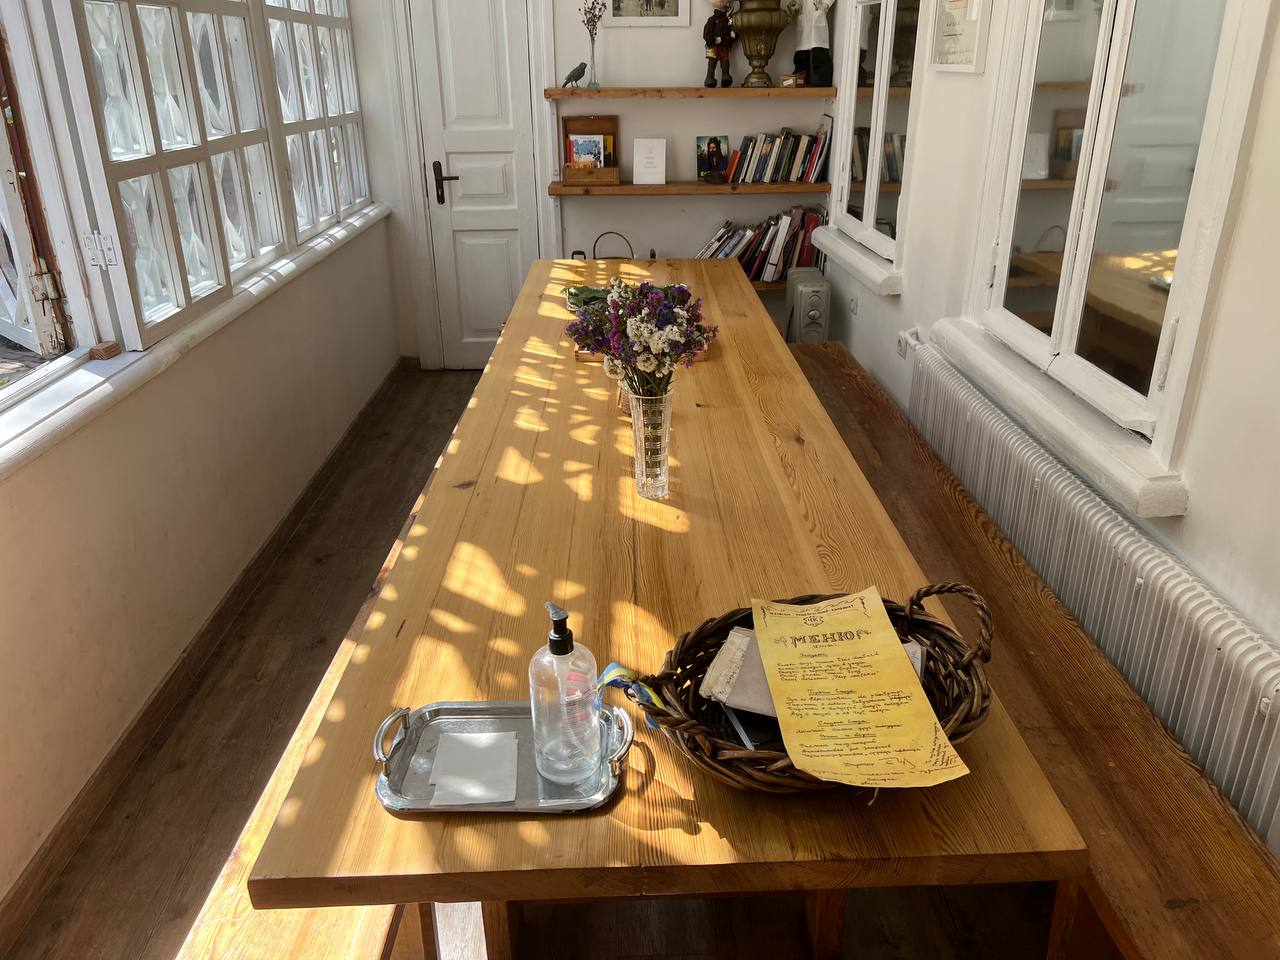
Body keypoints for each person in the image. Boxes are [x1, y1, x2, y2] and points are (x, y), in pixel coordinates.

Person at [793, 0, 836, 87]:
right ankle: (800, 79)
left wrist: (825, 4)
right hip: (804, 19)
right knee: (802, 50)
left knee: (818, 51)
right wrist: (794, 5)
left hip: (817, 15)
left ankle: (819, 80)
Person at [703, 0, 736, 88]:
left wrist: (733, 34)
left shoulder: (728, 19)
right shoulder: (712, 19)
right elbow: (706, 33)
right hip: (713, 45)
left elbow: (732, 30)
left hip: (723, 45)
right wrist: (713, 40)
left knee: (724, 61)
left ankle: (725, 76)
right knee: (712, 62)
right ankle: (710, 78)